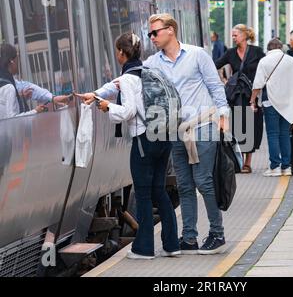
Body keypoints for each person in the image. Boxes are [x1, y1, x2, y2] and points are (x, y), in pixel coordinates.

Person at [77, 14, 230, 255]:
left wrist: (224, 117)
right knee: (185, 186)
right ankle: (189, 238)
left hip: (202, 125)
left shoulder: (197, 55)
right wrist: (96, 93)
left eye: (155, 32)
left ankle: (217, 234)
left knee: (204, 181)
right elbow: (122, 82)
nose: (151, 37)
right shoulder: (152, 63)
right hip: (174, 131)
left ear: (171, 30)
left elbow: (215, 86)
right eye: (150, 33)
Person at [76, 32, 180, 259]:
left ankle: (144, 249)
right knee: (158, 190)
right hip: (163, 138)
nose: (116, 55)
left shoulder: (128, 78)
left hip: (143, 141)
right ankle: (172, 244)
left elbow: (128, 110)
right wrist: (94, 95)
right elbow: (114, 86)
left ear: (121, 53)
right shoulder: (146, 72)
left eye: (116, 51)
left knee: (142, 194)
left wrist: (106, 107)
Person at [250, 39, 293, 177]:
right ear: (281, 47)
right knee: (284, 133)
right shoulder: (290, 60)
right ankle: (286, 167)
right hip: (287, 103)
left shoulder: (264, 61)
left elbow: (258, 84)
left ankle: (275, 167)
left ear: (268, 48)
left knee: (272, 134)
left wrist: (252, 100)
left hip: (270, 102)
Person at [214, 24, 265, 174]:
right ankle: (240, 160)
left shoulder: (256, 52)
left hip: (252, 95)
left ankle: (248, 162)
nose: (233, 37)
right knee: (238, 127)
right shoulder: (230, 53)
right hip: (236, 96)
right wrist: (222, 80)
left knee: (251, 126)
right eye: (233, 35)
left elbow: (266, 67)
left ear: (244, 35)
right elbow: (215, 64)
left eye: (236, 35)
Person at [0, 44, 46, 120]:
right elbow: (12, 120)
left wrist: (19, 98)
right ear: (12, 61)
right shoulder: (9, 87)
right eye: (17, 59)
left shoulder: (2, 83)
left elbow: (3, 108)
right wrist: (35, 111)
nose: (18, 63)